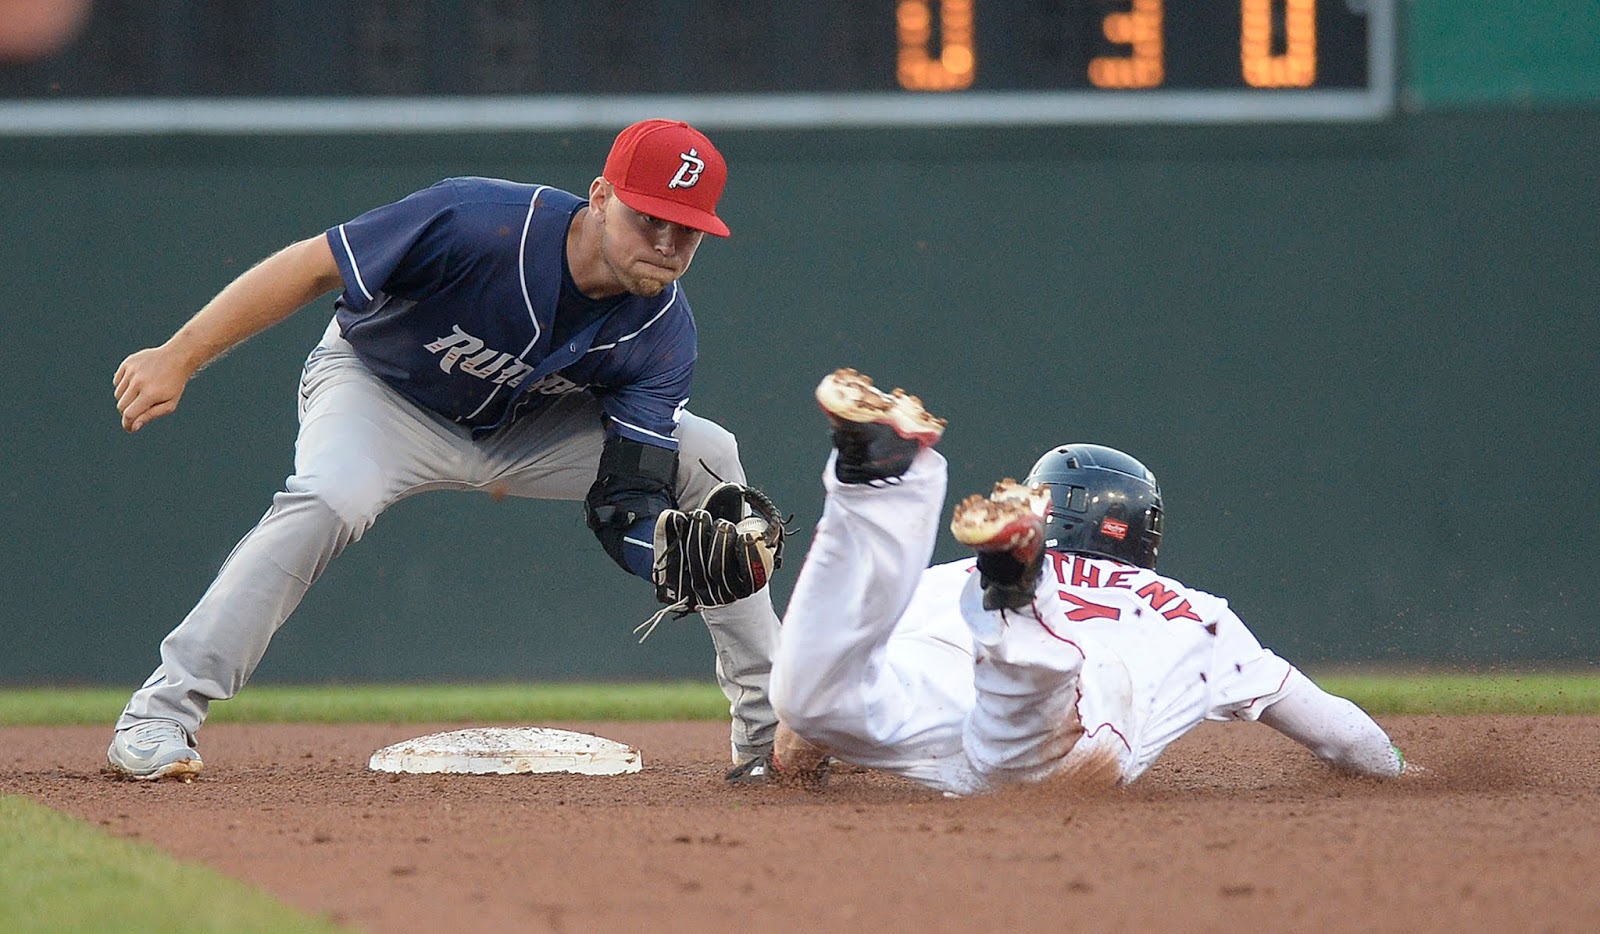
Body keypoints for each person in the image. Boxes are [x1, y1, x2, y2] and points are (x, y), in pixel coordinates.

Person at [107, 119, 782, 783]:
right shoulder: (478, 220)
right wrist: (181, 355)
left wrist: (674, 562)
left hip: (526, 429)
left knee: (708, 452)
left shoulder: (664, 332)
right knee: (329, 496)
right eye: (649, 217)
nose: (666, 242)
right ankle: (159, 715)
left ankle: (772, 733)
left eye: (686, 228)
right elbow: (310, 265)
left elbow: (625, 501)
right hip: (380, 391)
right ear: (602, 196)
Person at [768, 368, 1416, 795]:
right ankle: (1017, 588)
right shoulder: (1198, 614)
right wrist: (1401, 772)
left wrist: (794, 765)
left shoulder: (944, 576)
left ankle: (880, 488)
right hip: (1063, 717)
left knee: (815, 695)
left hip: (924, 684)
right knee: (1024, 712)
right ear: (1142, 530)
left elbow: (804, 738)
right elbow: (1343, 734)